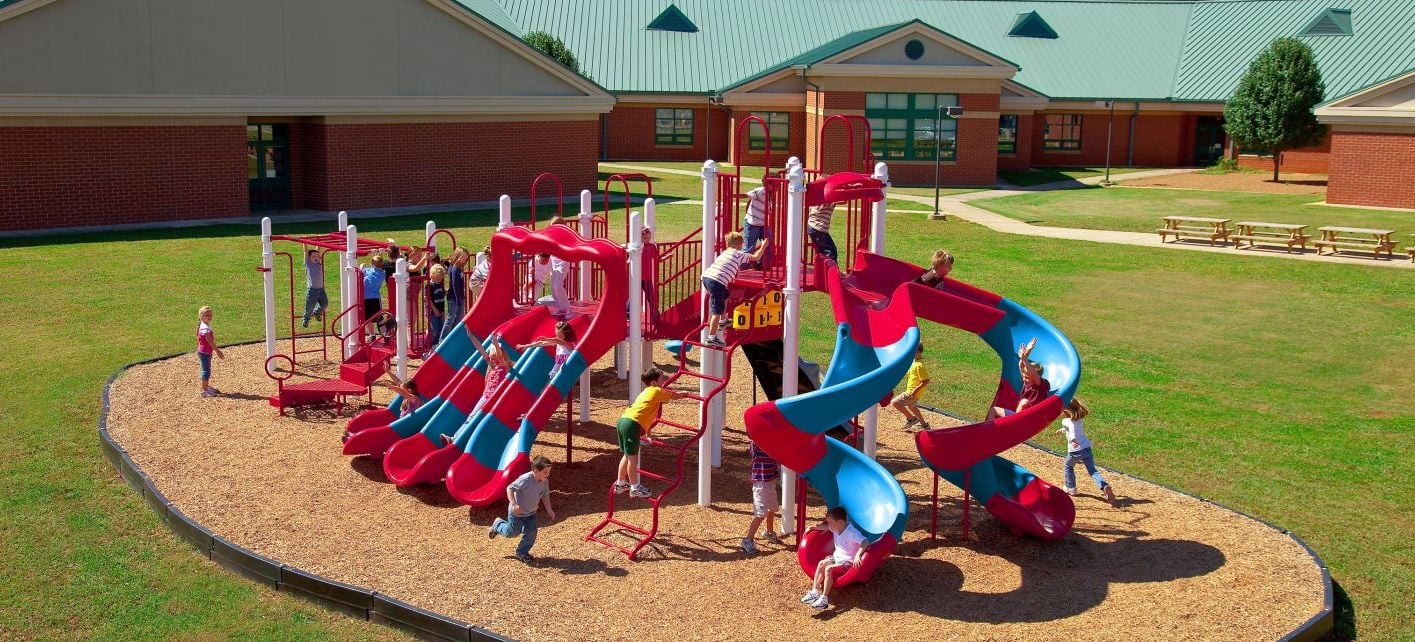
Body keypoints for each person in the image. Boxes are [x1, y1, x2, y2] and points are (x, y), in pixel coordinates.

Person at [615, 368, 686, 498]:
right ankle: (635, 487)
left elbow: (646, 413)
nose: (664, 381)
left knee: (627, 455)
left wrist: (647, 433)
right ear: (654, 382)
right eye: (662, 379)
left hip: (623, 421)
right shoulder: (656, 391)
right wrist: (684, 393)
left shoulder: (645, 392)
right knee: (633, 458)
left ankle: (620, 484)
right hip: (632, 424)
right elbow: (674, 395)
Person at [700, 232, 767, 347]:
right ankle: (711, 338)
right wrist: (763, 245)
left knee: (725, 294)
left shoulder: (725, 253)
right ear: (739, 245)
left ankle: (723, 320)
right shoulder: (738, 254)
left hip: (708, 278)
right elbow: (756, 258)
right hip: (717, 282)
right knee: (717, 311)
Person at [489, 455, 557, 564]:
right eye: (545, 472)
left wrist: (549, 509)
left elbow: (545, 495)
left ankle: (522, 552)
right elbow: (510, 488)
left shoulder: (544, 481)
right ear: (535, 471)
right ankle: (498, 525)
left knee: (531, 533)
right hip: (517, 513)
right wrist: (514, 504)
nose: (548, 474)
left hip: (531, 512)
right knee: (512, 533)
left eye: (549, 471)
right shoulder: (525, 480)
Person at [800, 506, 866, 611]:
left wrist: (858, 555)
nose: (829, 525)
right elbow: (826, 527)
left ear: (840, 522)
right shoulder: (837, 528)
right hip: (837, 558)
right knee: (821, 563)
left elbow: (865, 542)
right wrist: (812, 527)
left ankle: (824, 599)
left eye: (830, 522)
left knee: (828, 568)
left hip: (847, 562)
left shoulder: (851, 532)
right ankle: (814, 592)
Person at [1058, 398, 1117, 507]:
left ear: (1067, 411)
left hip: (1075, 451)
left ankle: (1071, 488)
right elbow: (1072, 427)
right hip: (1086, 448)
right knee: (1092, 470)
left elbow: (1072, 432)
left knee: (1068, 466)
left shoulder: (1065, 421)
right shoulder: (1079, 419)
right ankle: (1104, 485)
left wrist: (1072, 440)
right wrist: (1063, 430)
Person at [990, 337, 1050, 420]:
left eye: (1027, 377)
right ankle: (990, 431)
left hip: (1030, 419)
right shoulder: (1028, 381)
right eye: (1024, 376)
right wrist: (1022, 358)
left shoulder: (1040, 384)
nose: (1024, 379)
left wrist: (1025, 358)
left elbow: (1033, 373)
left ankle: (1014, 422)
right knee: (993, 410)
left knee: (1024, 402)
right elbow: (1021, 366)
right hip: (1019, 417)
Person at [741, 440, 783, 554]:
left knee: (772, 509)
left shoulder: (772, 445)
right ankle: (748, 540)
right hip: (760, 484)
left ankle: (769, 532)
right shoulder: (757, 444)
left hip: (770, 481)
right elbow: (755, 438)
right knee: (760, 514)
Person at [892, 344, 931, 431]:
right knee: (912, 406)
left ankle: (911, 419)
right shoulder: (915, 362)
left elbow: (926, 380)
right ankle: (924, 425)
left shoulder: (919, 365)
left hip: (911, 392)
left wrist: (914, 391)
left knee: (895, 403)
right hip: (915, 392)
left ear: (916, 352)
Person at [438, 248, 470, 344]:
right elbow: (454, 285)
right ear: (457, 257)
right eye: (462, 257)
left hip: (459, 297)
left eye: (465, 258)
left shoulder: (457, 267)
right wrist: (458, 299)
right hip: (454, 298)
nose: (464, 260)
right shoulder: (455, 269)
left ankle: (453, 337)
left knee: (458, 318)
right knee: (451, 318)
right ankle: (442, 340)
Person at [196, 306, 225, 397]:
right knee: (206, 371)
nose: (209, 317)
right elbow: (209, 341)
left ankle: (206, 387)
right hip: (205, 352)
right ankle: (204, 390)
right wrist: (218, 351)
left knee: (206, 370)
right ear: (201, 316)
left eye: (210, 315)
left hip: (204, 352)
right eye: (207, 315)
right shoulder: (205, 328)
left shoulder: (203, 325)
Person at [359, 254, 387, 338]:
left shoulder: (367, 271)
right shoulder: (382, 274)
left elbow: (361, 268)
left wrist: (363, 265)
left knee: (367, 319)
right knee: (379, 318)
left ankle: (372, 335)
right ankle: (385, 335)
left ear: (372, 264)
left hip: (365, 298)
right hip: (375, 298)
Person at [742, 186, 770, 269]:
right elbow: (746, 195)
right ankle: (744, 267)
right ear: (769, 184)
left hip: (763, 223)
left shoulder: (773, 194)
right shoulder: (760, 191)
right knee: (749, 247)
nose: (778, 188)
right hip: (752, 223)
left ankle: (762, 264)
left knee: (768, 243)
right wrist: (731, 195)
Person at [301, 249, 327, 328]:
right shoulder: (308, 264)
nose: (316, 258)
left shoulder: (319, 263)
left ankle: (317, 312)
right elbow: (305, 252)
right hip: (312, 290)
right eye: (313, 256)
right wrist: (304, 243)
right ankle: (306, 319)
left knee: (325, 304)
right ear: (309, 258)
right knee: (310, 306)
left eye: (317, 256)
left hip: (321, 289)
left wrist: (318, 242)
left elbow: (318, 250)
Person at [425, 264, 446, 358]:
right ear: (432, 276)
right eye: (437, 278)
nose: (439, 280)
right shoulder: (430, 285)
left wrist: (442, 311)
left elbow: (441, 297)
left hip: (440, 310)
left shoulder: (440, 284)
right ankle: (428, 347)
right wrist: (434, 310)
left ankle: (435, 347)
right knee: (435, 329)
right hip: (432, 311)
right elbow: (428, 299)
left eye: (440, 279)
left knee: (441, 329)